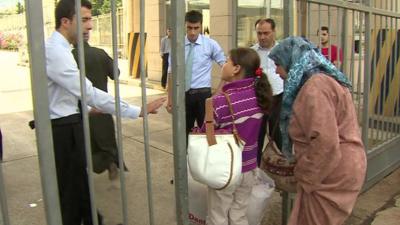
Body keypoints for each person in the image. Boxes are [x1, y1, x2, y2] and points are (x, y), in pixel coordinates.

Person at [46, 1, 165, 224]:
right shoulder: (56, 52)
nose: (90, 26)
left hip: (70, 123)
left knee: (81, 190)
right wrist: (137, 110)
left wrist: (84, 112)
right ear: (65, 22)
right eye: (84, 20)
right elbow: (88, 92)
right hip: (63, 131)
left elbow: (63, 96)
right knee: (72, 196)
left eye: (90, 19)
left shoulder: (61, 49)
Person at [268, 36, 367, 225]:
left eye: (278, 64)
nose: (276, 70)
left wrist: (304, 175)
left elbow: (325, 144)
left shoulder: (315, 88)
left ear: (291, 61)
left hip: (331, 173)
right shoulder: (321, 81)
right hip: (337, 168)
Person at [205, 47, 272, 225]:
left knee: (218, 216)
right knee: (239, 214)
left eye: (227, 60)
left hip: (225, 170)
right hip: (249, 167)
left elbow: (206, 134)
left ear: (236, 68)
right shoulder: (259, 95)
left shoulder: (219, 102)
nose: (223, 64)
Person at [166, 10, 226, 135]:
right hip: (183, 95)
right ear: (185, 26)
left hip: (203, 95)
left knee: (206, 133)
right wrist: (170, 99)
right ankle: (186, 155)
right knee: (183, 134)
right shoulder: (177, 46)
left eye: (196, 28)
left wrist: (219, 91)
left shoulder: (210, 44)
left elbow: (226, 67)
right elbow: (171, 73)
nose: (192, 32)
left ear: (201, 27)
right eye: (189, 28)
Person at [72, 33, 122, 180]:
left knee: (86, 143)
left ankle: (89, 167)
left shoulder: (69, 58)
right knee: (106, 139)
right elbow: (116, 73)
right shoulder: (100, 53)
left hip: (81, 109)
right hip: (102, 106)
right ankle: (111, 162)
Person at [251, 18, 284, 165]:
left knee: (278, 136)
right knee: (256, 136)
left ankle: (278, 169)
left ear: (274, 32)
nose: (262, 37)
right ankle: (256, 169)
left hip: (279, 98)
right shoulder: (252, 53)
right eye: (259, 33)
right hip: (258, 100)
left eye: (266, 33)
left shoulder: (283, 50)